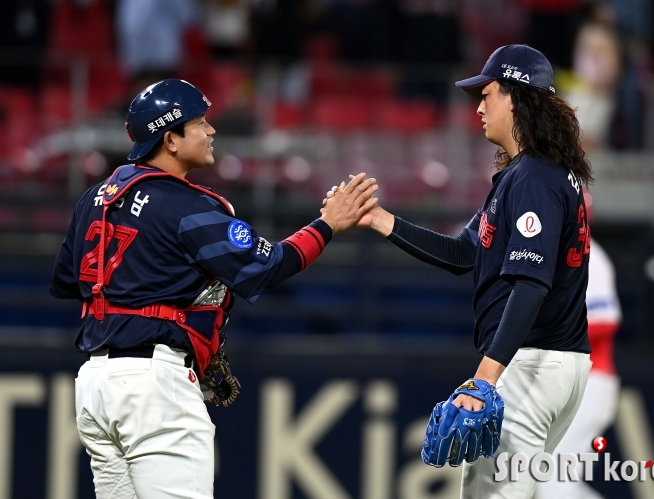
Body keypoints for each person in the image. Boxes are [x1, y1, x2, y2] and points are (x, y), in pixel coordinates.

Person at [49, 78, 378, 499]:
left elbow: (67, 280)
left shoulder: (96, 197)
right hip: (154, 385)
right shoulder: (186, 205)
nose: (211, 131)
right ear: (170, 139)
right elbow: (269, 266)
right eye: (200, 123)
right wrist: (328, 224)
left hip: (95, 384)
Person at [328, 44, 593, 499]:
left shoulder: (533, 176)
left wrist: (485, 377)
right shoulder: (532, 174)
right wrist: (379, 220)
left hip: (530, 362)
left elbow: (530, 285)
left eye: (487, 93)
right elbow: (462, 253)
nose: (479, 105)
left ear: (515, 96)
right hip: (554, 363)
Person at [534, 204, 621, 499]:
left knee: (554, 485)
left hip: (590, 382)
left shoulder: (591, 258)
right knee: (551, 483)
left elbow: (604, 322)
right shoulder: (557, 256)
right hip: (570, 385)